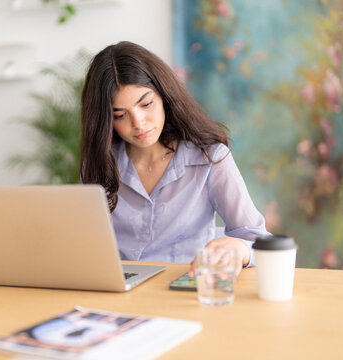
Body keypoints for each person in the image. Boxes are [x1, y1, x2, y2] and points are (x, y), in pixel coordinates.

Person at [80, 41, 270, 277]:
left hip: (185, 292)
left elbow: (262, 243)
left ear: (164, 95)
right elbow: (84, 247)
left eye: (146, 104)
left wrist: (241, 249)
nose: (138, 123)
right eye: (120, 115)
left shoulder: (210, 159)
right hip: (116, 294)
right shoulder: (99, 166)